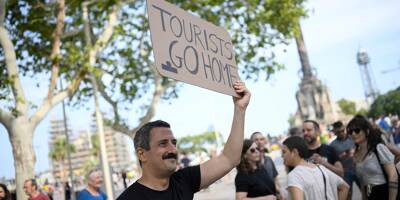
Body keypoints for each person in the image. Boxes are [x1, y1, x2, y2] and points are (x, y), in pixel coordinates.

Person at [117, 81, 251, 199]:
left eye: (174, 143)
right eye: (163, 143)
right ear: (142, 154)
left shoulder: (184, 180)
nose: (172, 149)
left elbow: (229, 159)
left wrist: (240, 109)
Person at [347, 115, 398, 200]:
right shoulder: (355, 155)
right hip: (370, 194)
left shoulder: (379, 148)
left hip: (385, 193)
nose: (353, 134)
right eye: (350, 131)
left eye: (357, 130)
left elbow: (393, 175)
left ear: (367, 132)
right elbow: (363, 183)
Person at [282, 136, 349, 200]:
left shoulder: (294, 175)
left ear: (294, 152)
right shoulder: (320, 168)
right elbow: (344, 187)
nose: (282, 156)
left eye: (284, 152)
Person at [329, 121, 360, 199]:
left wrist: (355, 152)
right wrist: (343, 155)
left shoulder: (352, 137)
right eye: (339, 132)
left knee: (366, 190)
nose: (342, 133)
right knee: (347, 195)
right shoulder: (333, 145)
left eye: (343, 131)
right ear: (335, 132)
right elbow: (333, 161)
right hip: (345, 172)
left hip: (358, 168)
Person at [250, 131, 284, 200]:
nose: (259, 142)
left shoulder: (268, 159)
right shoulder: (249, 162)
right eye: (256, 140)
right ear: (252, 143)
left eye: (261, 139)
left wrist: (280, 192)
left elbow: (275, 179)